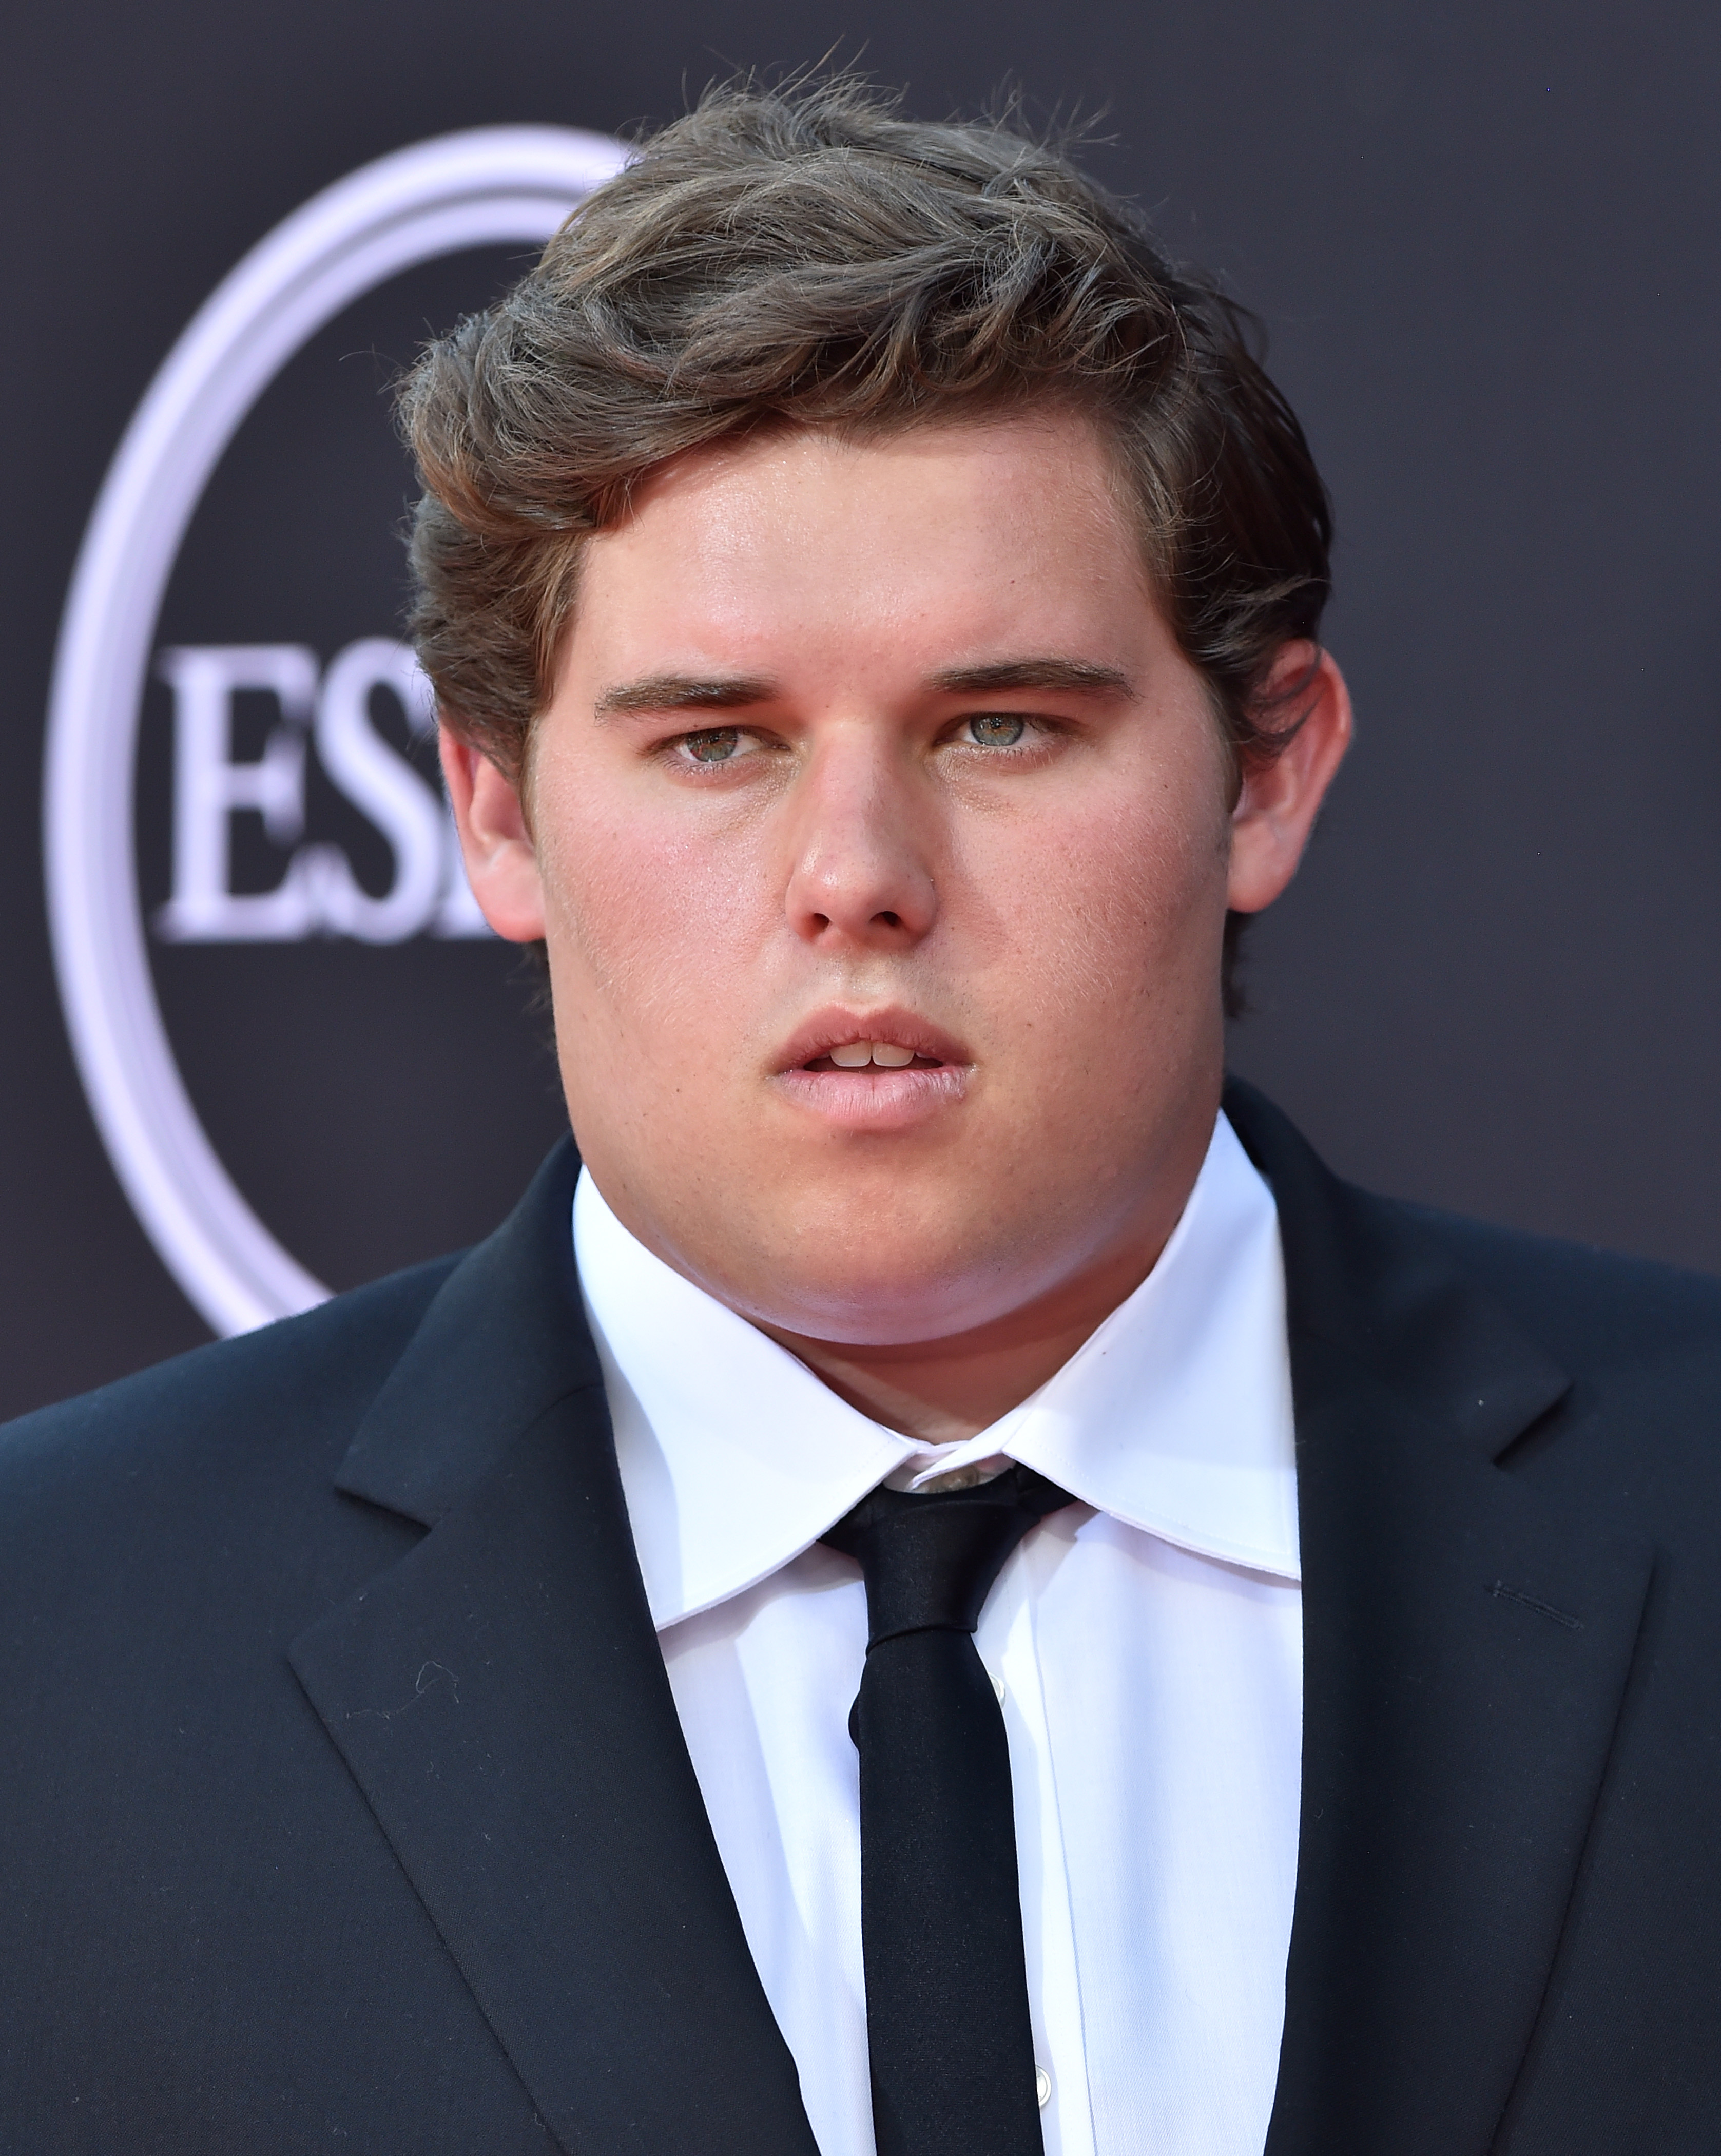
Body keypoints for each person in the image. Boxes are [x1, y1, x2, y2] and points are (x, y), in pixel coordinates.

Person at [2, 75, 1718, 2156]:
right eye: (715, 744)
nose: (855, 872)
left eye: (1000, 724)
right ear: (491, 811)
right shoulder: (56, 1661)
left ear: (1263, 769)